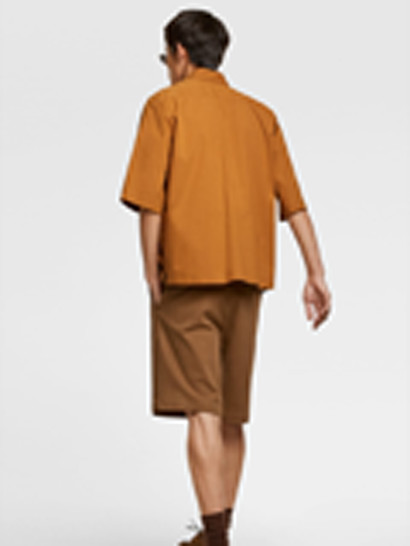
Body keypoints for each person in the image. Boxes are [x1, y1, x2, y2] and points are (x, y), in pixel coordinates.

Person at [119, 8, 332, 546]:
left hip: (188, 276)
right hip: (248, 279)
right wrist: (316, 272)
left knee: (202, 411)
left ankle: (214, 540)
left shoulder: (165, 105)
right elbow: (294, 203)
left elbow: (150, 201)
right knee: (232, 413)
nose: (167, 67)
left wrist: (150, 271)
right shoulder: (260, 116)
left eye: (166, 57)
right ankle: (218, 530)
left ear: (180, 53)